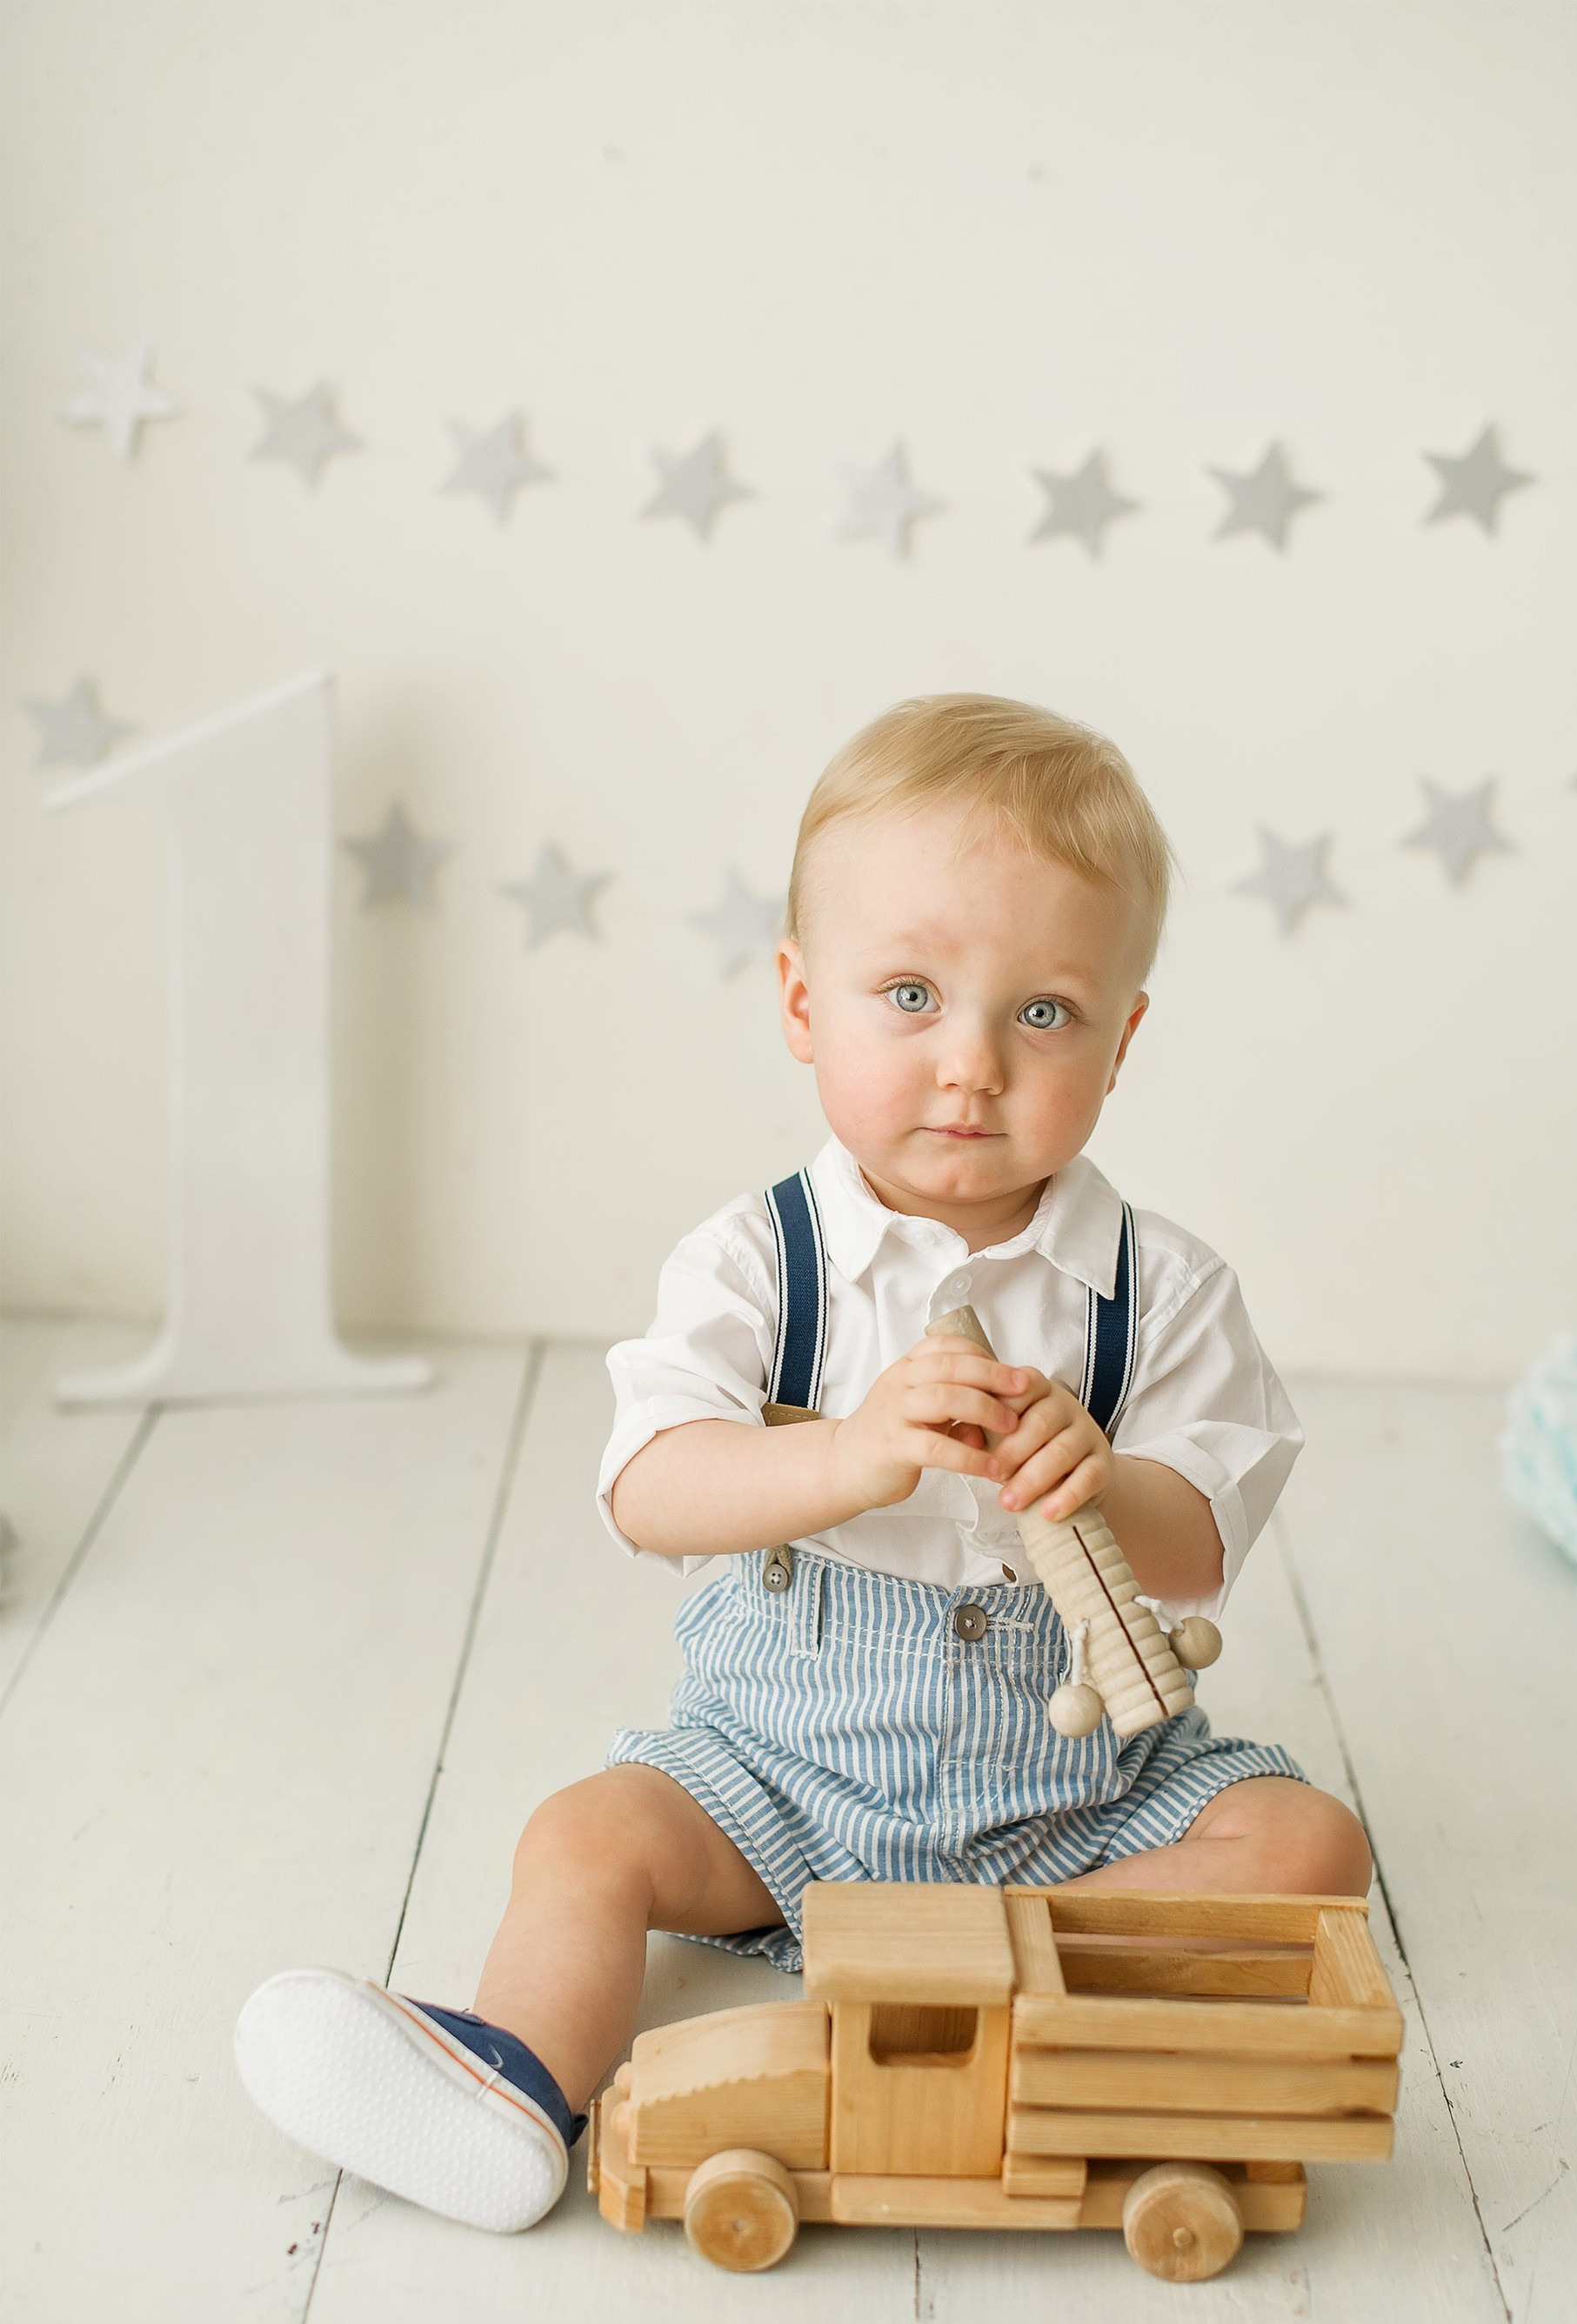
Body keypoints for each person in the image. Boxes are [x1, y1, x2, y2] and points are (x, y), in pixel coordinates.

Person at [236, 692, 1370, 2233]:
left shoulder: (1159, 1290)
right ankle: (507, 2085)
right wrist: (848, 1454)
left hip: (1077, 1797)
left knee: (1310, 1842)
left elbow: (1206, 1541)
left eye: (1042, 1013)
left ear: (1122, 1035)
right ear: (799, 1003)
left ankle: (1009, 1955)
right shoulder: (764, 1262)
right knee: (584, 1837)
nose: (971, 1064)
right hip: (782, 1778)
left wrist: (1101, 1479)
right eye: (909, 993)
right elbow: (650, 1488)